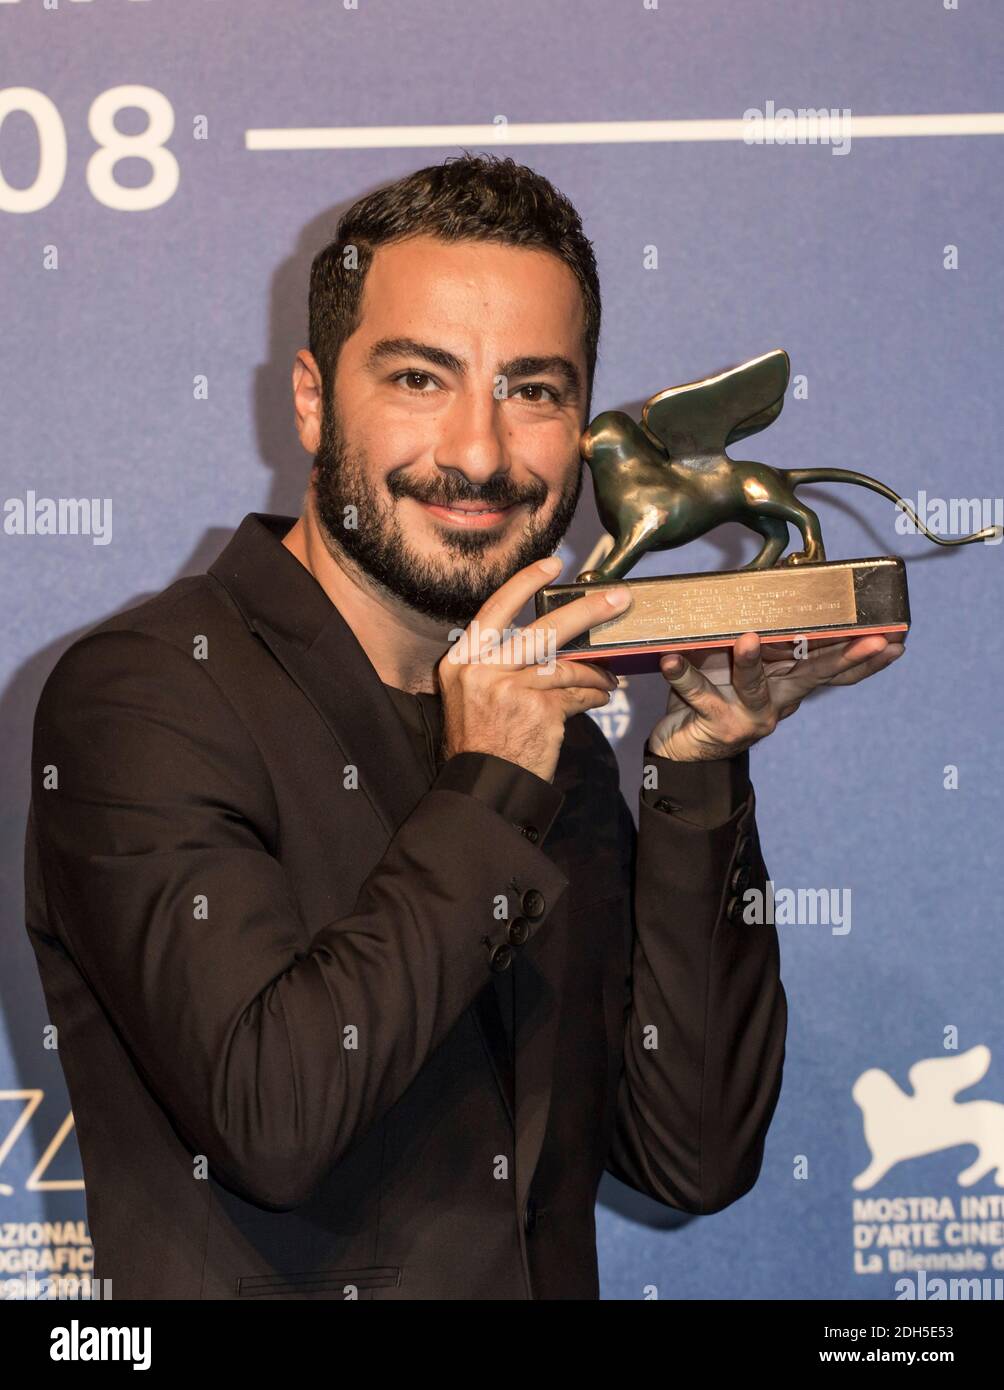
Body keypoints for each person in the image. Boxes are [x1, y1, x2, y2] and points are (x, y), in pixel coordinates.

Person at [24, 154, 904, 1301]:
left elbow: (689, 1153)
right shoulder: (143, 698)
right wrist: (487, 778)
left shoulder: (555, 740)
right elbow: (272, 1119)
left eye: (533, 390)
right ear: (309, 397)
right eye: (419, 379)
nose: (480, 452)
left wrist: (693, 774)